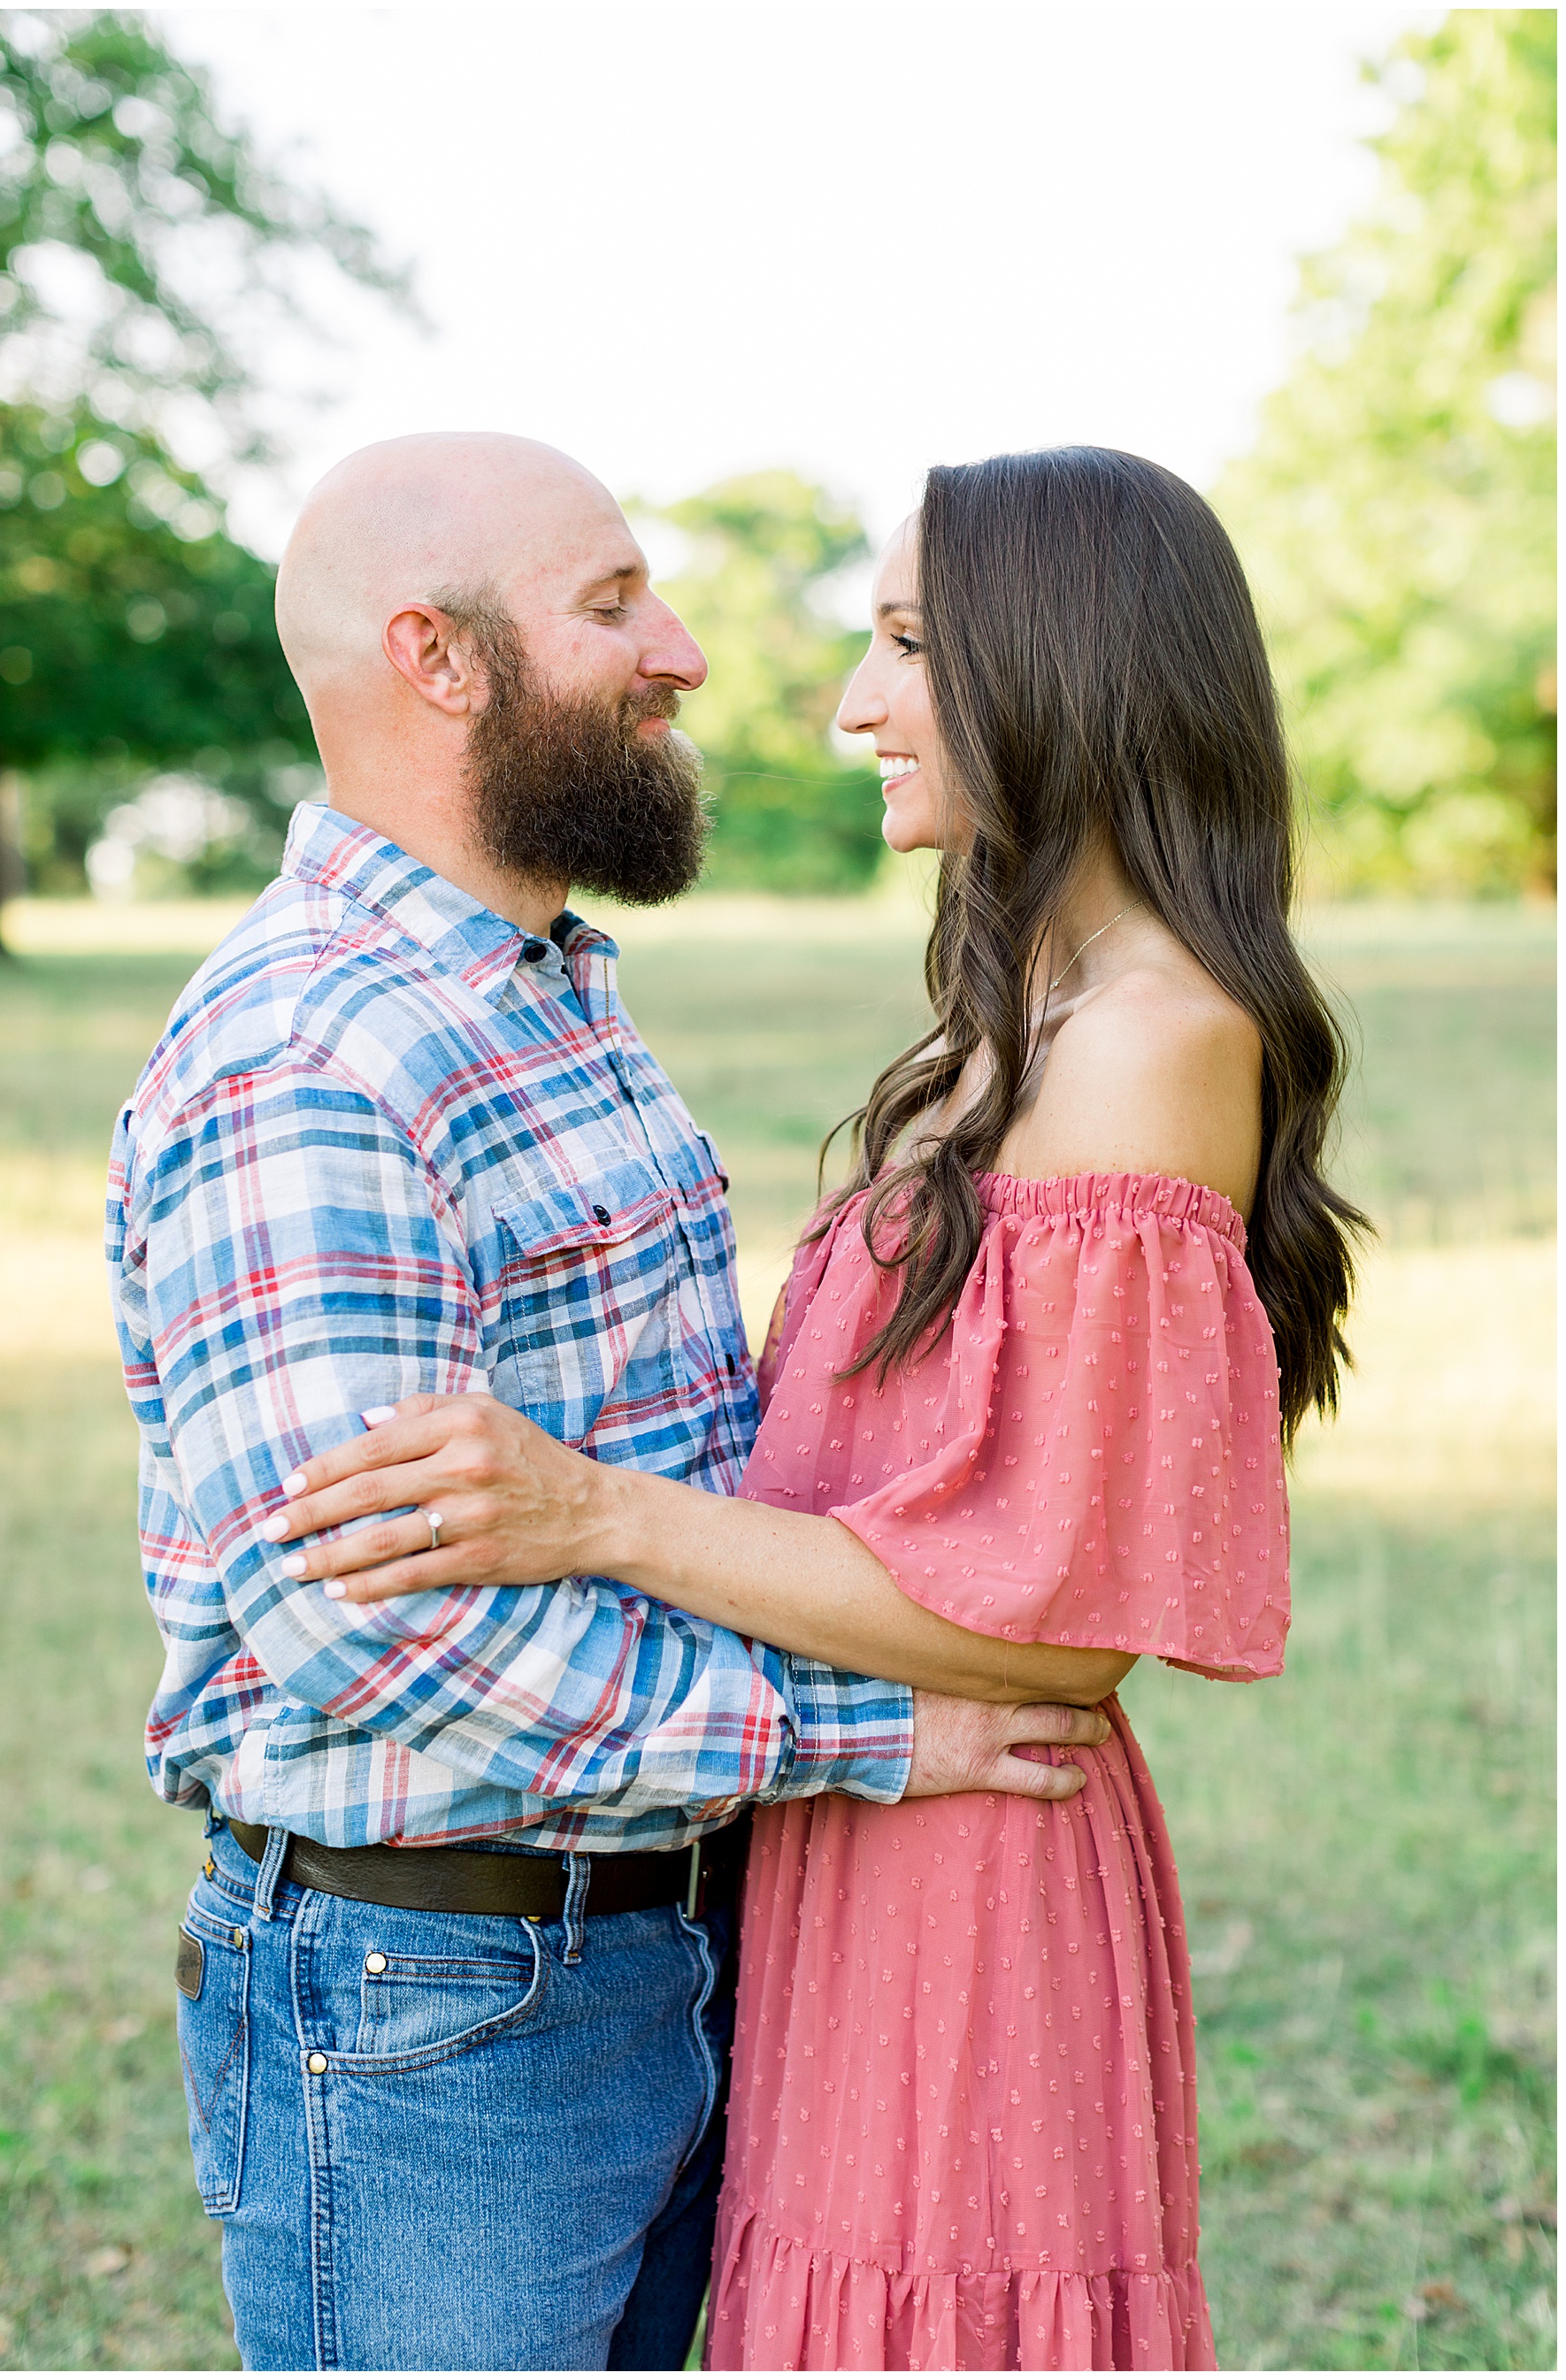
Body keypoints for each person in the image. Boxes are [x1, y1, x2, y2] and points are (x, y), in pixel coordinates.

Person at [266, 445, 1364, 2370]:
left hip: (972, 1864)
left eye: (909, 642)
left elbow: (1071, 1625)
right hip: (847, 1829)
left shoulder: (1157, 1040)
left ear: (1066, 665)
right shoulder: (1007, 1021)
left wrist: (593, 1512)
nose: (856, 701)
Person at [104, 432, 1114, 2374]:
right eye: (611, 603)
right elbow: (373, 1640)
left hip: (664, 1935)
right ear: (442, 658)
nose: (688, 652)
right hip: (440, 2005)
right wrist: (872, 1724)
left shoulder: (542, 987)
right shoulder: (310, 1058)